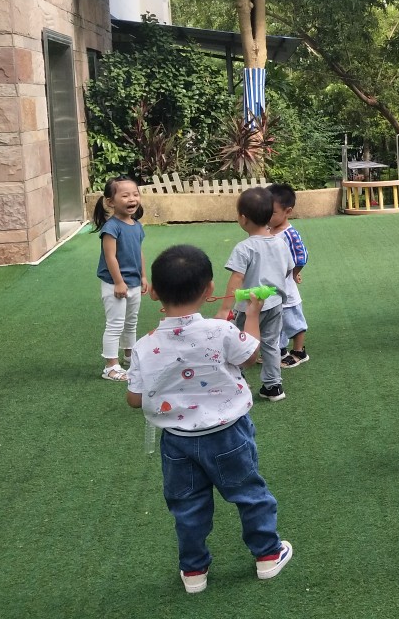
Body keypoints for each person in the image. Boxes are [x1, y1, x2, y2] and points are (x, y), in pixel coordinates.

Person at [127, 245, 292, 593]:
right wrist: (252, 312)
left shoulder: (144, 346)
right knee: (249, 493)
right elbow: (250, 356)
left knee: (187, 506)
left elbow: (134, 399)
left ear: (154, 292)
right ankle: (267, 555)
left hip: (176, 442)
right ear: (209, 290)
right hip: (228, 435)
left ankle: (194, 572)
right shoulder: (220, 331)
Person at [219, 187, 295, 402]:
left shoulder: (244, 248)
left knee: (241, 343)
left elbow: (237, 277)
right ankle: (273, 386)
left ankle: (238, 382)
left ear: (243, 218)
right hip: (274, 303)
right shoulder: (280, 242)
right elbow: (288, 269)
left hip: (249, 307)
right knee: (271, 343)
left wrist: (225, 308)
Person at [93, 177, 147, 381]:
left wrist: (143, 276)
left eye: (135, 194)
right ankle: (110, 367)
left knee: (131, 322)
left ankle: (129, 356)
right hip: (115, 284)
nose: (132, 199)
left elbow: (138, 252)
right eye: (125, 195)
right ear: (110, 202)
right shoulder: (111, 227)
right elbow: (110, 257)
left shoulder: (136, 225)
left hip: (133, 282)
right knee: (115, 324)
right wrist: (118, 282)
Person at [268, 184, 311, 368]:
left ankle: (299, 352)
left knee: (293, 320)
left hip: (287, 289)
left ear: (288, 211)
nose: (266, 216)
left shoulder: (289, 234)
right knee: (275, 320)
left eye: (272, 213)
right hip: (272, 287)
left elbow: (302, 257)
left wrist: (294, 274)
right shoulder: (267, 230)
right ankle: (280, 350)